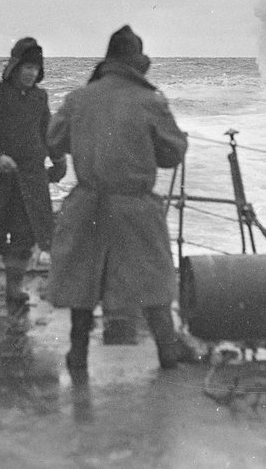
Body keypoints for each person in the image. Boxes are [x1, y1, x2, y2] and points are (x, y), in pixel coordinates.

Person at [46, 25, 188, 373]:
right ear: (138, 63)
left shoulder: (79, 97)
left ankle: (77, 353)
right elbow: (172, 153)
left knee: (84, 281)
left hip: (87, 203)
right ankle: (167, 350)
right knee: (153, 279)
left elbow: (54, 138)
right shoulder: (149, 101)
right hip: (134, 205)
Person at [0, 37, 66, 306]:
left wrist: (58, 159)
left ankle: (14, 286)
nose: (31, 73)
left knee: (27, 234)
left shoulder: (40, 97)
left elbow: (47, 132)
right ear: (14, 67)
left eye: (36, 69)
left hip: (32, 178)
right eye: (27, 67)